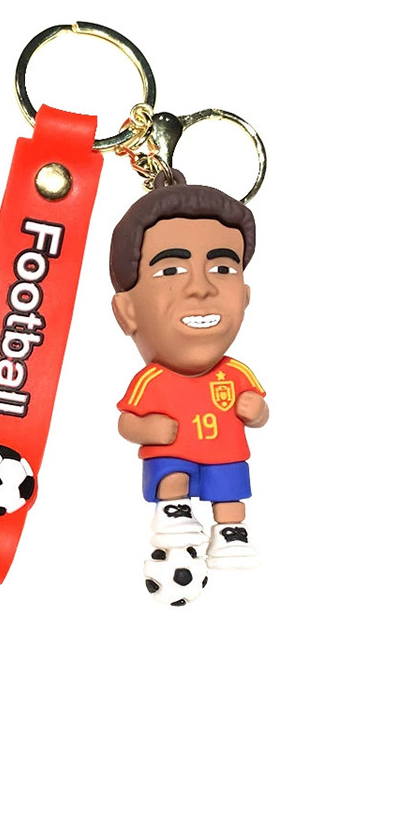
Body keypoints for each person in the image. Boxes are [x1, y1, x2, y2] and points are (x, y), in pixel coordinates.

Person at [110, 174, 268, 569]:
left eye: (223, 268)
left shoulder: (236, 373)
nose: (201, 288)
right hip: (174, 454)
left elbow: (261, 411)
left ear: (245, 297)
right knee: (172, 476)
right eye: (171, 271)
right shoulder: (153, 380)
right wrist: (149, 429)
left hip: (225, 454)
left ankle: (230, 534)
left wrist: (256, 411)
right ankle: (174, 515)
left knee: (230, 492)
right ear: (127, 311)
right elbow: (127, 422)